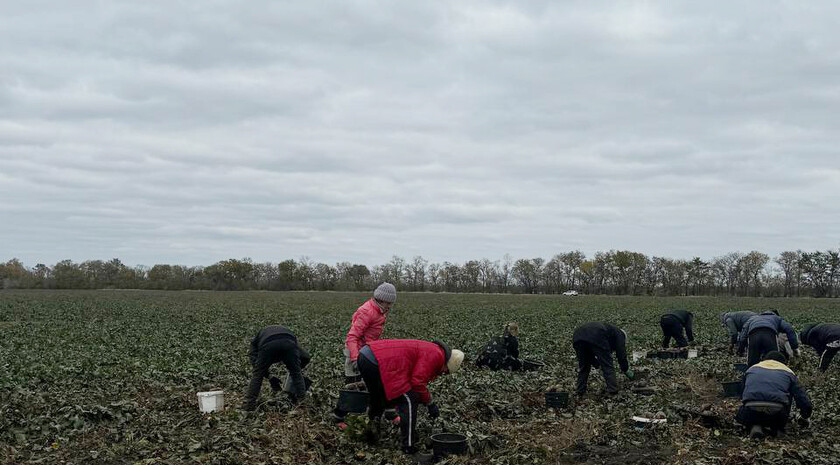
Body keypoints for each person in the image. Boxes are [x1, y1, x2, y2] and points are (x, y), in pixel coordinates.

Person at [357, 339, 464, 459]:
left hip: (366, 355)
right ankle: (408, 448)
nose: (443, 373)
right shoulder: (436, 355)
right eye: (446, 371)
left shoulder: (434, 349)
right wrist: (430, 403)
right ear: (447, 364)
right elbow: (417, 382)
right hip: (379, 359)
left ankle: (371, 432)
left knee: (378, 395)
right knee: (409, 399)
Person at [334, 282, 396, 422]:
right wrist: (356, 358)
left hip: (368, 352)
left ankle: (386, 411)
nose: (390, 306)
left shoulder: (380, 311)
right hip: (356, 352)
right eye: (389, 303)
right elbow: (352, 337)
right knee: (352, 386)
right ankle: (339, 418)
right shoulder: (367, 311)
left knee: (374, 382)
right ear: (382, 299)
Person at [736, 351, 812, 439]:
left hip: (751, 409)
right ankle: (777, 429)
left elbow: (741, 393)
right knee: (786, 397)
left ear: (765, 360)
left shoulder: (752, 369)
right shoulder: (788, 372)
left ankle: (755, 427)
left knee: (750, 413)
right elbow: (801, 397)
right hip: (777, 412)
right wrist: (805, 415)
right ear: (784, 363)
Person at [243, 325, 311, 411]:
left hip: (269, 344)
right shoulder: (257, 342)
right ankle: (302, 403)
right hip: (289, 343)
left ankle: (249, 405)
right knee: (297, 374)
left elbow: (256, 366)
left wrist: (269, 376)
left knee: (257, 375)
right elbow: (306, 357)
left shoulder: (254, 344)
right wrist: (296, 369)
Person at [572, 322, 634, 396]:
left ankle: (580, 390)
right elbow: (621, 353)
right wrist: (625, 369)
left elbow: (589, 356)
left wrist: (597, 364)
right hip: (596, 334)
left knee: (584, 366)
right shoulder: (620, 334)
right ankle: (613, 390)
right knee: (607, 365)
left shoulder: (610, 333)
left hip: (577, 336)